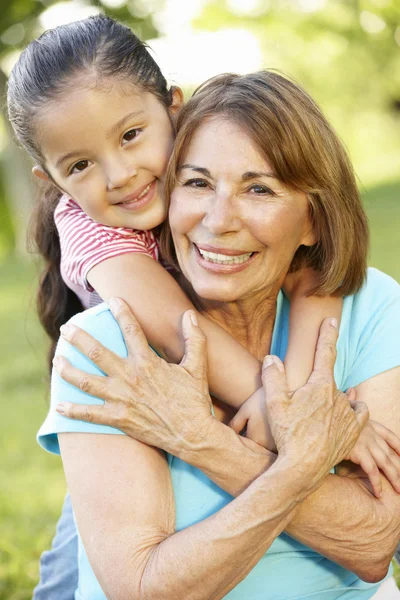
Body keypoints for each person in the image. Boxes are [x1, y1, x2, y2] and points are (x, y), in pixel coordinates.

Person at [8, 17, 399, 596]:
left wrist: (302, 407)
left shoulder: (215, 162)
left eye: (131, 136)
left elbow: (320, 276)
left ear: (173, 109)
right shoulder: (96, 232)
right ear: (55, 181)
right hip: (126, 428)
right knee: (74, 567)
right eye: (80, 166)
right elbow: (174, 325)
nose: (120, 176)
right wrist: (277, 407)